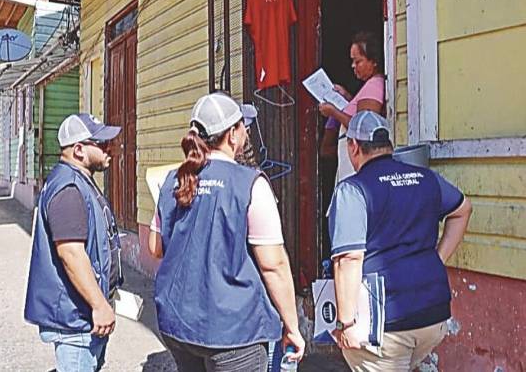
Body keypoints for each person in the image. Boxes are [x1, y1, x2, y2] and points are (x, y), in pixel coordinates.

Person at [148, 92, 305, 372]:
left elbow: (155, 248)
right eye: (243, 125)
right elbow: (273, 265)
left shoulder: (174, 180)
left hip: (177, 324)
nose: (246, 131)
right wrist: (292, 326)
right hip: (232, 333)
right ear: (233, 135)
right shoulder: (250, 184)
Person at [327, 111, 472, 371]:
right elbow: (463, 209)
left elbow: (349, 258)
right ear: (389, 145)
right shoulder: (425, 178)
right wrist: (437, 259)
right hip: (433, 315)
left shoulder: (353, 190)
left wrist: (346, 323)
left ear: (353, 146)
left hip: (385, 323)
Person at [24, 113, 123, 372]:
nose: (109, 147)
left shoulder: (78, 181)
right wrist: (99, 305)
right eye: (101, 143)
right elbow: (70, 253)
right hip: (76, 322)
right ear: (79, 150)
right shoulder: (68, 188)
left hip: (83, 316)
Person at [319, 32, 385, 181]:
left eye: (358, 61)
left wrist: (333, 112)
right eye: (352, 61)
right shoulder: (370, 85)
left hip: (356, 162)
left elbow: (363, 127)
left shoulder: (375, 85)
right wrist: (348, 97)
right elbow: (360, 112)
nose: (353, 66)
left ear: (373, 61)